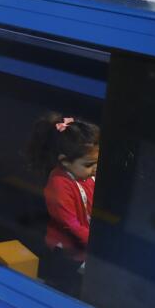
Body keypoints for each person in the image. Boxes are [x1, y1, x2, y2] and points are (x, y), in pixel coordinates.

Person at [26, 112, 100, 295]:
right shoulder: (59, 185)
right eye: (89, 164)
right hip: (67, 250)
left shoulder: (86, 175)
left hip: (85, 242)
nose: (95, 168)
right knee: (66, 288)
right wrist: (96, 243)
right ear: (65, 161)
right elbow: (70, 224)